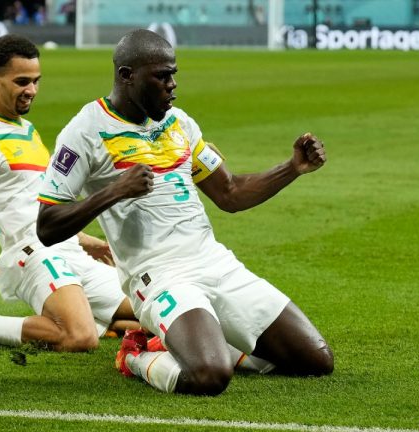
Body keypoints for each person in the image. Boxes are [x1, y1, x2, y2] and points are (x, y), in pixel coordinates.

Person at [36, 29, 334, 396]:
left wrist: (292, 168)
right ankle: (136, 354)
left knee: (316, 360)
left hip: (213, 262)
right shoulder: (85, 131)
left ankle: (212, 341)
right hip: (158, 277)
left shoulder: (180, 123)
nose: (172, 85)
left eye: (173, 74)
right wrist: (114, 191)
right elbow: (47, 225)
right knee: (210, 376)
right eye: (162, 76)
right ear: (127, 75)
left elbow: (231, 192)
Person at [0, 34, 139, 352]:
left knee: (149, 309)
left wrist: (86, 241)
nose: (31, 90)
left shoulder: (27, 130)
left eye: (35, 81)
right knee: (79, 338)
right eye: (21, 81)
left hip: (68, 250)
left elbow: (31, 201)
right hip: (33, 253)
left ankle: (97, 320)